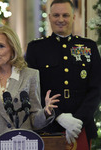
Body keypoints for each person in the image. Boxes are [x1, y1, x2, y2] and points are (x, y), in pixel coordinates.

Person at [25, 0, 101, 149]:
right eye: (56, 15)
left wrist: (77, 121)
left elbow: (97, 88)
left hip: (81, 127)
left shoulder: (89, 47)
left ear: (73, 17)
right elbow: (32, 89)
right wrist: (58, 115)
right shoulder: (36, 49)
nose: (61, 19)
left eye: (65, 15)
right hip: (48, 127)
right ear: (49, 17)